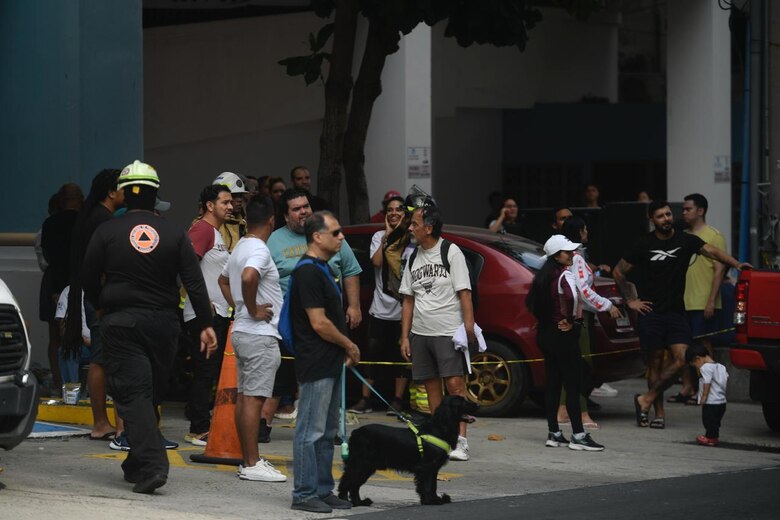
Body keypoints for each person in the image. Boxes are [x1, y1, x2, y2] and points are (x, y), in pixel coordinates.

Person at [82, 160, 217, 494]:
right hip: (164, 325)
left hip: (122, 321)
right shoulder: (173, 233)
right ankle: (136, 464)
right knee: (148, 393)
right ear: (156, 195)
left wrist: (102, 304)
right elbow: (194, 283)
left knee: (135, 394)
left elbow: (87, 277)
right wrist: (205, 324)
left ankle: (154, 466)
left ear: (125, 193)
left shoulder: (107, 231)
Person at [613, 201, 749, 429]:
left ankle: (644, 399)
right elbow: (618, 272)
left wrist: (736, 264)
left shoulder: (686, 240)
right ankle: (658, 414)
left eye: (668, 214)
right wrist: (630, 301)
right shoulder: (643, 244)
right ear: (652, 220)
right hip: (651, 313)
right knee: (655, 365)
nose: (666, 218)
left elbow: (712, 251)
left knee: (682, 359)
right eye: (660, 216)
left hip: (676, 313)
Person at [263, 188, 362, 437]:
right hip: (289, 320)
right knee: (281, 375)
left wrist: (354, 305)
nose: (303, 211)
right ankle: (263, 425)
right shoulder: (274, 240)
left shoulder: (330, 236)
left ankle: (334, 428)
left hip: (328, 320)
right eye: (296, 209)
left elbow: (350, 269)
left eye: (305, 206)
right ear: (285, 216)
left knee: (330, 373)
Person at [289, 211, 358, 513]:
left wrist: (342, 349)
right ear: (318, 237)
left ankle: (322, 488)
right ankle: (304, 494)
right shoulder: (307, 272)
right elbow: (319, 323)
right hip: (316, 361)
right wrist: (349, 344)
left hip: (329, 360)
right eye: (336, 232)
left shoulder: (323, 269)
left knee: (328, 431)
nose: (342, 237)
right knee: (310, 431)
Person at [218, 196, 286, 482]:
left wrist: (240, 307)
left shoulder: (240, 247)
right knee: (254, 400)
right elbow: (248, 278)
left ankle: (249, 460)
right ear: (272, 219)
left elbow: (223, 280)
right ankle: (252, 462)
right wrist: (253, 308)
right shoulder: (259, 249)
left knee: (246, 399)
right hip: (259, 335)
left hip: (243, 332)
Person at [399, 203, 473, 461]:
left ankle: (461, 440)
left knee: (455, 384)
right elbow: (408, 299)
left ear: (428, 228)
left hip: (447, 331)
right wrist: (404, 336)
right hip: (421, 333)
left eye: (415, 224)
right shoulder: (412, 257)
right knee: (431, 386)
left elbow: (464, 292)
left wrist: (469, 326)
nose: (410, 227)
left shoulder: (451, 252)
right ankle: (442, 437)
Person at [526, 235, 605, 451]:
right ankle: (578, 435)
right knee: (572, 385)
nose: (572, 255)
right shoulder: (564, 277)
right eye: (567, 252)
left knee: (553, 383)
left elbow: (531, 303)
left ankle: (554, 432)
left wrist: (547, 321)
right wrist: (571, 322)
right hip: (563, 336)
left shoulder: (542, 277)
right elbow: (572, 299)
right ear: (556, 256)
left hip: (546, 334)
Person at [63, 169, 125, 441]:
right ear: (111, 192)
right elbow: (100, 265)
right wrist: (102, 299)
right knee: (105, 359)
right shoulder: (103, 220)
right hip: (101, 298)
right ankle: (104, 422)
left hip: (94, 297)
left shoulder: (93, 218)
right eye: (123, 187)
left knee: (101, 358)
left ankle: (102, 422)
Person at [556, 217, 622, 430]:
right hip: (579, 317)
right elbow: (583, 292)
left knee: (572, 364)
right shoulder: (575, 258)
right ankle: (582, 413)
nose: (588, 233)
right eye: (585, 229)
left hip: (571, 315)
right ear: (580, 233)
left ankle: (563, 410)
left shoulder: (566, 257)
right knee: (582, 366)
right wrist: (606, 305)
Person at [181, 185, 233, 446]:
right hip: (205, 315)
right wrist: (205, 306)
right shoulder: (202, 229)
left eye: (231, 202)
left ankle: (201, 424)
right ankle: (198, 428)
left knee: (208, 371)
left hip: (216, 313)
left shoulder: (215, 232)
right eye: (225, 202)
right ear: (210, 205)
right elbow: (188, 266)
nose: (230, 206)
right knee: (204, 371)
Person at [349, 195, 410, 414]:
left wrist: (401, 234)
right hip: (380, 309)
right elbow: (376, 262)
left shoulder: (411, 238)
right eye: (390, 210)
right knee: (373, 355)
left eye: (399, 210)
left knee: (401, 357)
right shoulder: (378, 236)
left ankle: (397, 401)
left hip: (404, 309)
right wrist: (387, 237)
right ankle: (365, 400)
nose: (394, 213)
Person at [667, 193, 728, 405]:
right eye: (683, 209)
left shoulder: (714, 236)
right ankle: (687, 387)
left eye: (687, 209)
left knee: (703, 346)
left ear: (700, 211)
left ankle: (707, 390)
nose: (683, 212)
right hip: (682, 300)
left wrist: (711, 300)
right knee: (681, 346)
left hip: (703, 300)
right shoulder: (682, 236)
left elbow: (720, 270)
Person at [40, 183, 84, 391]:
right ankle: (78, 382)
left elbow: (50, 256)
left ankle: (60, 383)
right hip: (81, 280)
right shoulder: (85, 221)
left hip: (54, 281)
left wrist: (56, 289)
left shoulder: (50, 224)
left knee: (55, 335)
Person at [685, 343, 728, 446]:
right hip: (721, 401)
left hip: (711, 401)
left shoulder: (706, 368)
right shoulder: (721, 366)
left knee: (708, 420)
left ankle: (710, 438)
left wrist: (704, 396)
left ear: (698, 359)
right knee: (715, 421)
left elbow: (707, 382)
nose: (697, 368)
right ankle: (713, 437)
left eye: (694, 365)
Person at [213, 172, 248, 251]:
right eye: (234, 196)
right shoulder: (206, 225)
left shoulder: (243, 224)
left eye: (241, 195)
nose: (239, 200)